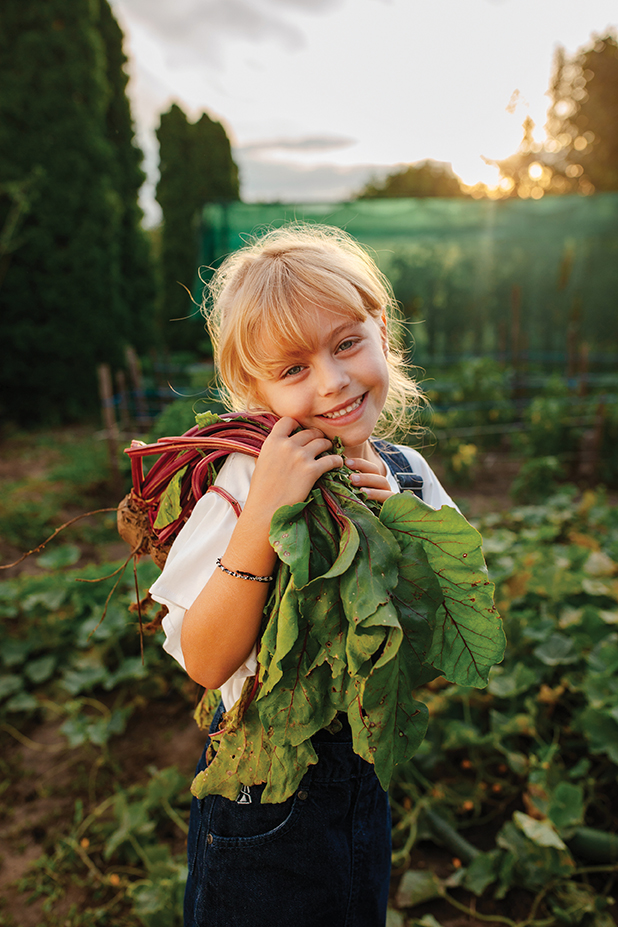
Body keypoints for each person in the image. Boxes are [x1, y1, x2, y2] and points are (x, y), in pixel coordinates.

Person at [149, 224, 457, 927]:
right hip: (260, 793)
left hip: (363, 783)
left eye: (347, 342)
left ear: (380, 329)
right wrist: (264, 515)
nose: (332, 381)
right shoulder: (245, 482)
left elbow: (440, 642)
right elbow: (206, 659)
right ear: (253, 391)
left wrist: (399, 527)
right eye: (292, 370)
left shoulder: (410, 476)